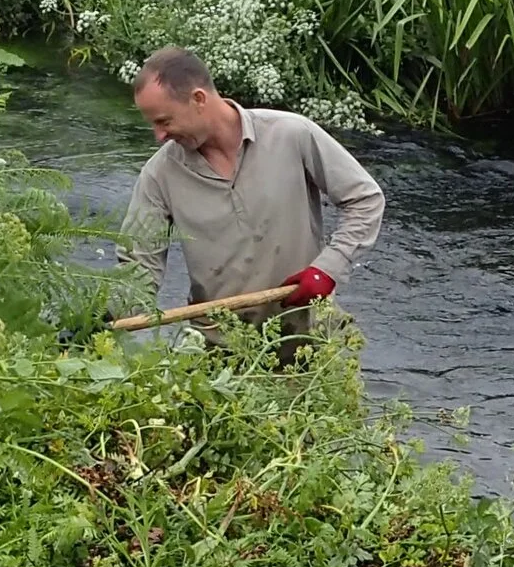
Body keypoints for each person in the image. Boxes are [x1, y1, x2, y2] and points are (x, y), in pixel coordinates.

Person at [120, 46, 385, 362]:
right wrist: (100, 316)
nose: (159, 135)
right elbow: (139, 267)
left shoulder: (291, 134)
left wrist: (328, 269)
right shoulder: (158, 176)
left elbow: (365, 199)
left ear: (199, 99)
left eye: (164, 121)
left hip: (310, 339)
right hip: (222, 354)